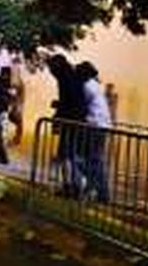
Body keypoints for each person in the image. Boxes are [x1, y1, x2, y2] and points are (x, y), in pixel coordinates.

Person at [47, 54, 87, 197]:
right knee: (70, 155)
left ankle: (71, 187)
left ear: (57, 66)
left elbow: (69, 102)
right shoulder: (72, 76)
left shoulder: (65, 78)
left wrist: (58, 116)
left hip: (70, 122)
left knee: (66, 156)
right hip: (77, 121)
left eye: (51, 67)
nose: (50, 71)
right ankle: (74, 187)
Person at [75, 61, 112, 203]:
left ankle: (98, 189)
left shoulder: (86, 86)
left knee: (79, 158)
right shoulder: (96, 85)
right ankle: (101, 193)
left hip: (93, 126)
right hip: (102, 126)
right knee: (96, 160)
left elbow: (80, 106)